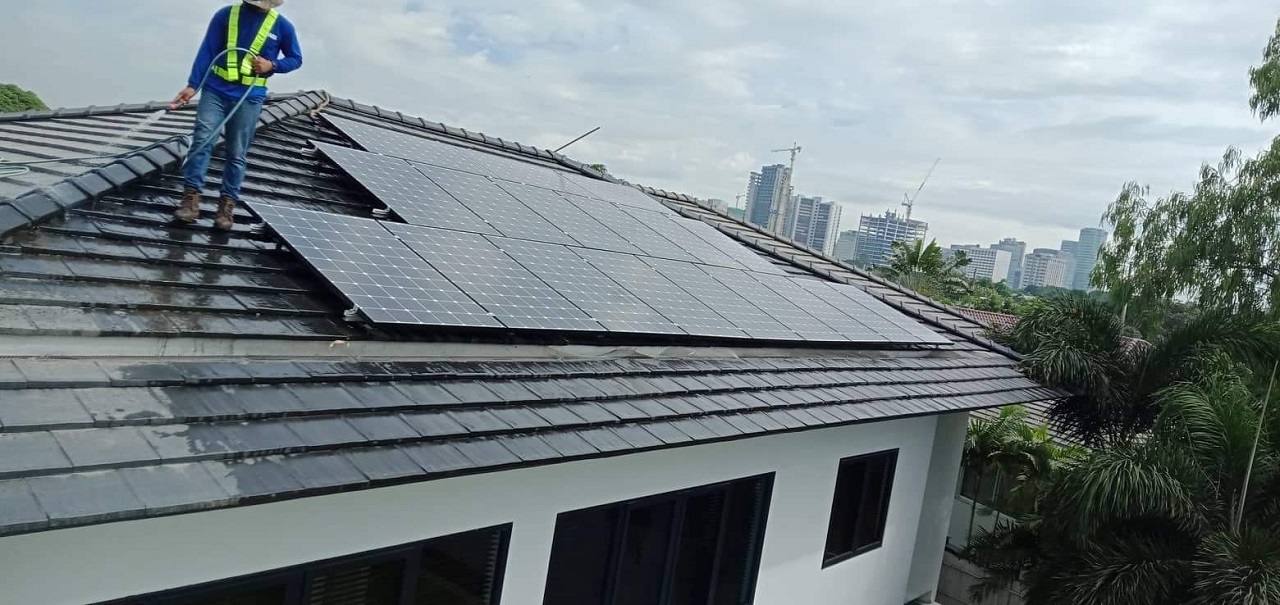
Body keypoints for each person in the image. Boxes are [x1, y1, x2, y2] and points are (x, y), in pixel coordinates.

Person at [170, 0, 303, 230]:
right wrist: (193, 86)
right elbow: (208, 50)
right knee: (203, 140)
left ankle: (226, 207)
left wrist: (271, 65)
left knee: (237, 151)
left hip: (249, 96)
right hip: (215, 89)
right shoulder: (225, 15)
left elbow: (295, 58)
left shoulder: (283, 26)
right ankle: (190, 200)